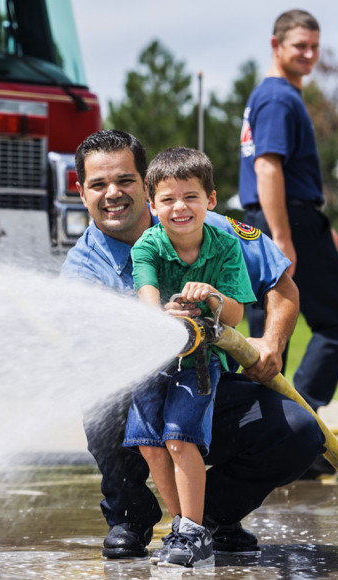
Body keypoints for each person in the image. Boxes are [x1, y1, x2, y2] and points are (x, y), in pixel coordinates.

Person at [61, 129, 324, 561]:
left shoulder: (209, 228)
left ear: (145, 183)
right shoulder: (82, 269)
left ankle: (209, 519)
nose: (113, 194)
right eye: (98, 184)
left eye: (125, 181)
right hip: (135, 395)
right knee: (100, 401)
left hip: (206, 383)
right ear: (81, 190)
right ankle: (130, 515)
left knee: (299, 432)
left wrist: (273, 343)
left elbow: (281, 286)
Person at [125, 147, 256, 568]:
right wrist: (160, 314)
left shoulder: (225, 246)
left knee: (180, 439)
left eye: (190, 196)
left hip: (199, 360)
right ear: (152, 205)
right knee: (151, 446)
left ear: (211, 200)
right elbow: (146, 297)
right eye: (167, 199)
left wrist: (213, 296)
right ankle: (181, 526)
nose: (179, 207)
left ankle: (194, 533)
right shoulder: (147, 245)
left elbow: (236, 314)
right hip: (150, 360)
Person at [238, 10, 338, 421]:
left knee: (270, 335)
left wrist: (326, 227)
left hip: (272, 219)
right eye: (299, 46)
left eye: (314, 47)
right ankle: (298, 426)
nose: (309, 54)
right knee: (335, 326)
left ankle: (265, 439)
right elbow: (267, 167)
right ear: (276, 45)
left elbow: (286, 173)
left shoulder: (270, 95)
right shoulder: (278, 97)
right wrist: (284, 237)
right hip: (285, 222)